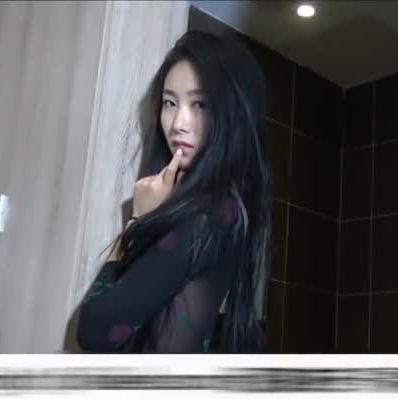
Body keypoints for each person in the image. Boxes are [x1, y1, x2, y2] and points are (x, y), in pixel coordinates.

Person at [76, 30, 271, 353]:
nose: (179, 122)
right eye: (170, 103)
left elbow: (94, 331)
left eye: (200, 104)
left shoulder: (210, 213)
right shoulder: (224, 207)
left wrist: (136, 221)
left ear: (232, 113)